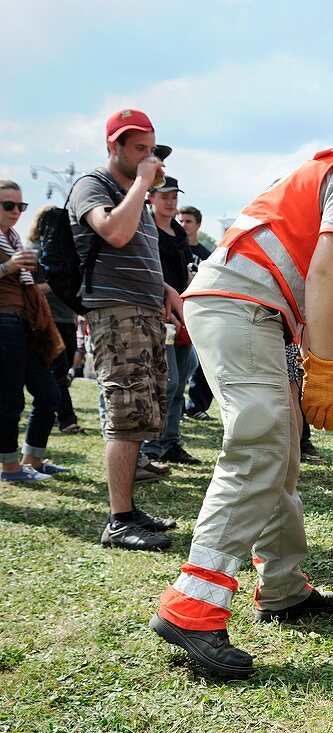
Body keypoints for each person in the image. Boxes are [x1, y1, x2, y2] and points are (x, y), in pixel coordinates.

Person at [151, 94, 333, 679]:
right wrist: (323, 366)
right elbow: (324, 273)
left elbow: (314, 277)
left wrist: (314, 358)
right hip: (243, 306)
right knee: (260, 447)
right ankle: (193, 606)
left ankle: (281, 588)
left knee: (276, 451)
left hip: (246, 308)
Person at [66, 109, 182, 551]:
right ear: (112, 147)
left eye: (153, 149)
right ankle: (117, 520)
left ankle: (128, 510)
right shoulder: (92, 186)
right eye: (140, 149)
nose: (149, 158)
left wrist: (166, 289)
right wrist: (141, 185)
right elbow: (113, 232)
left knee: (141, 411)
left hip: (144, 309)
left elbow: (134, 253)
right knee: (124, 412)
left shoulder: (131, 193)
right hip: (115, 312)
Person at [0, 181, 67, 483]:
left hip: (26, 324)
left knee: (49, 393)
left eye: (20, 206)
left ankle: (33, 459)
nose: (16, 212)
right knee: (10, 399)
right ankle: (10, 468)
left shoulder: (13, 239)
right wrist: (9, 266)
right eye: (8, 205)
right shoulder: (11, 247)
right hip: (4, 323)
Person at [142, 176, 201, 466]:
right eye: (165, 195)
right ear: (151, 197)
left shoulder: (177, 232)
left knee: (179, 384)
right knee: (167, 382)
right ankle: (151, 445)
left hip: (181, 314)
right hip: (158, 312)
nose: (171, 200)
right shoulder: (145, 226)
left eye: (174, 195)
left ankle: (170, 442)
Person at [27, 206, 85, 436]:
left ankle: (55, 415)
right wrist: (56, 283)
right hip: (47, 320)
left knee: (60, 371)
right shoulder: (35, 254)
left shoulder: (65, 253)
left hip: (66, 319)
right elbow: (28, 290)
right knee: (57, 371)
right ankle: (66, 419)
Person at [178, 205, 214, 421]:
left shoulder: (206, 255)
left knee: (202, 362)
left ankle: (196, 406)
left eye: (188, 221)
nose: (184, 225)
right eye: (180, 220)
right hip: (175, 311)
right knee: (180, 364)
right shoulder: (173, 247)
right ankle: (177, 406)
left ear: (198, 225)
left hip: (200, 312)